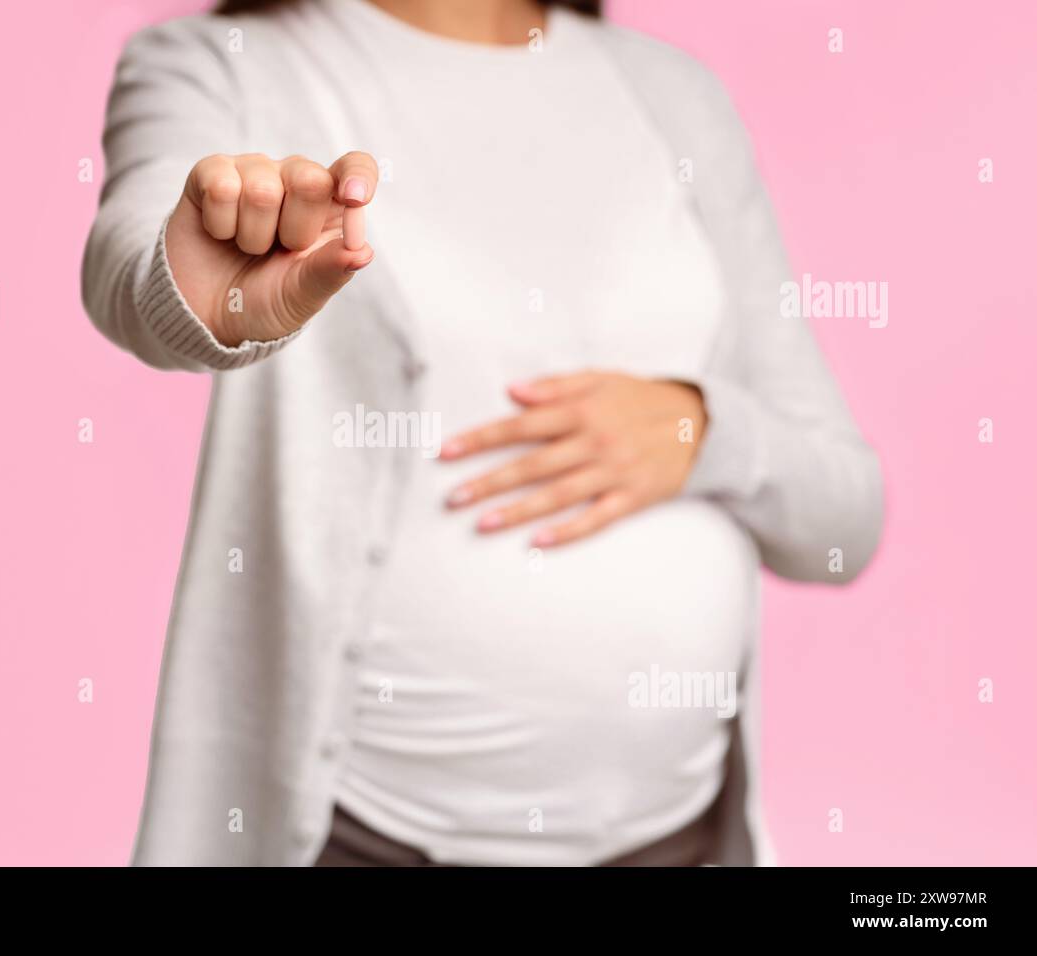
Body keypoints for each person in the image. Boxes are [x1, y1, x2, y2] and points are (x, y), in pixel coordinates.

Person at [81, 0, 883, 866]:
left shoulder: (674, 95)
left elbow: (845, 518)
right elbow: (130, 264)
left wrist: (701, 430)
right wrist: (198, 290)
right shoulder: (223, 65)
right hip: (361, 842)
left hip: (679, 841)